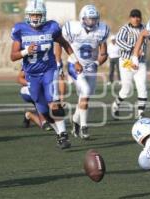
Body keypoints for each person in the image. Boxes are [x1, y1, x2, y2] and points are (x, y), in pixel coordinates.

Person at [10, 0, 83, 149]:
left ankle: (63, 134)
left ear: (43, 15)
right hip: (31, 74)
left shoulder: (52, 27)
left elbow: (64, 43)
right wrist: (25, 51)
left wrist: (75, 60)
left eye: (38, 14)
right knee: (43, 110)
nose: (35, 17)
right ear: (27, 15)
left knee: (54, 103)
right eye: (33, 14)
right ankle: (59, 133)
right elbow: (13, 56)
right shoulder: (20, 29)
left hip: (49, 70)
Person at [62, 4, 109, 139]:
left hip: (90, 67)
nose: (91, 22)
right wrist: (60, 61)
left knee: (84, 97)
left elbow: (104, 54)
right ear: (82, 19)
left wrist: (96, 63)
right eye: (88, 19)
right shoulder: (72, 28)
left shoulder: (101, 30)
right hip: (75, 65)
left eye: (94, 19)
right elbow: (61, 43)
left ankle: (75, 121)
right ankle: (84, 126)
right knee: (86, 91)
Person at [111, 9, 148, 119]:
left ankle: (140, 114)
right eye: (133, 17)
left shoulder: (145, 28)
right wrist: (133, 49)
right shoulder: (125, 29)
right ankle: (116, 105)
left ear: (141, 18)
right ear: (130, 18)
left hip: (140, 62)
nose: (136, 19)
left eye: (138, 17)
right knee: (126, 90)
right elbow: (119, 41)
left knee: (142, 88)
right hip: (126, 61)